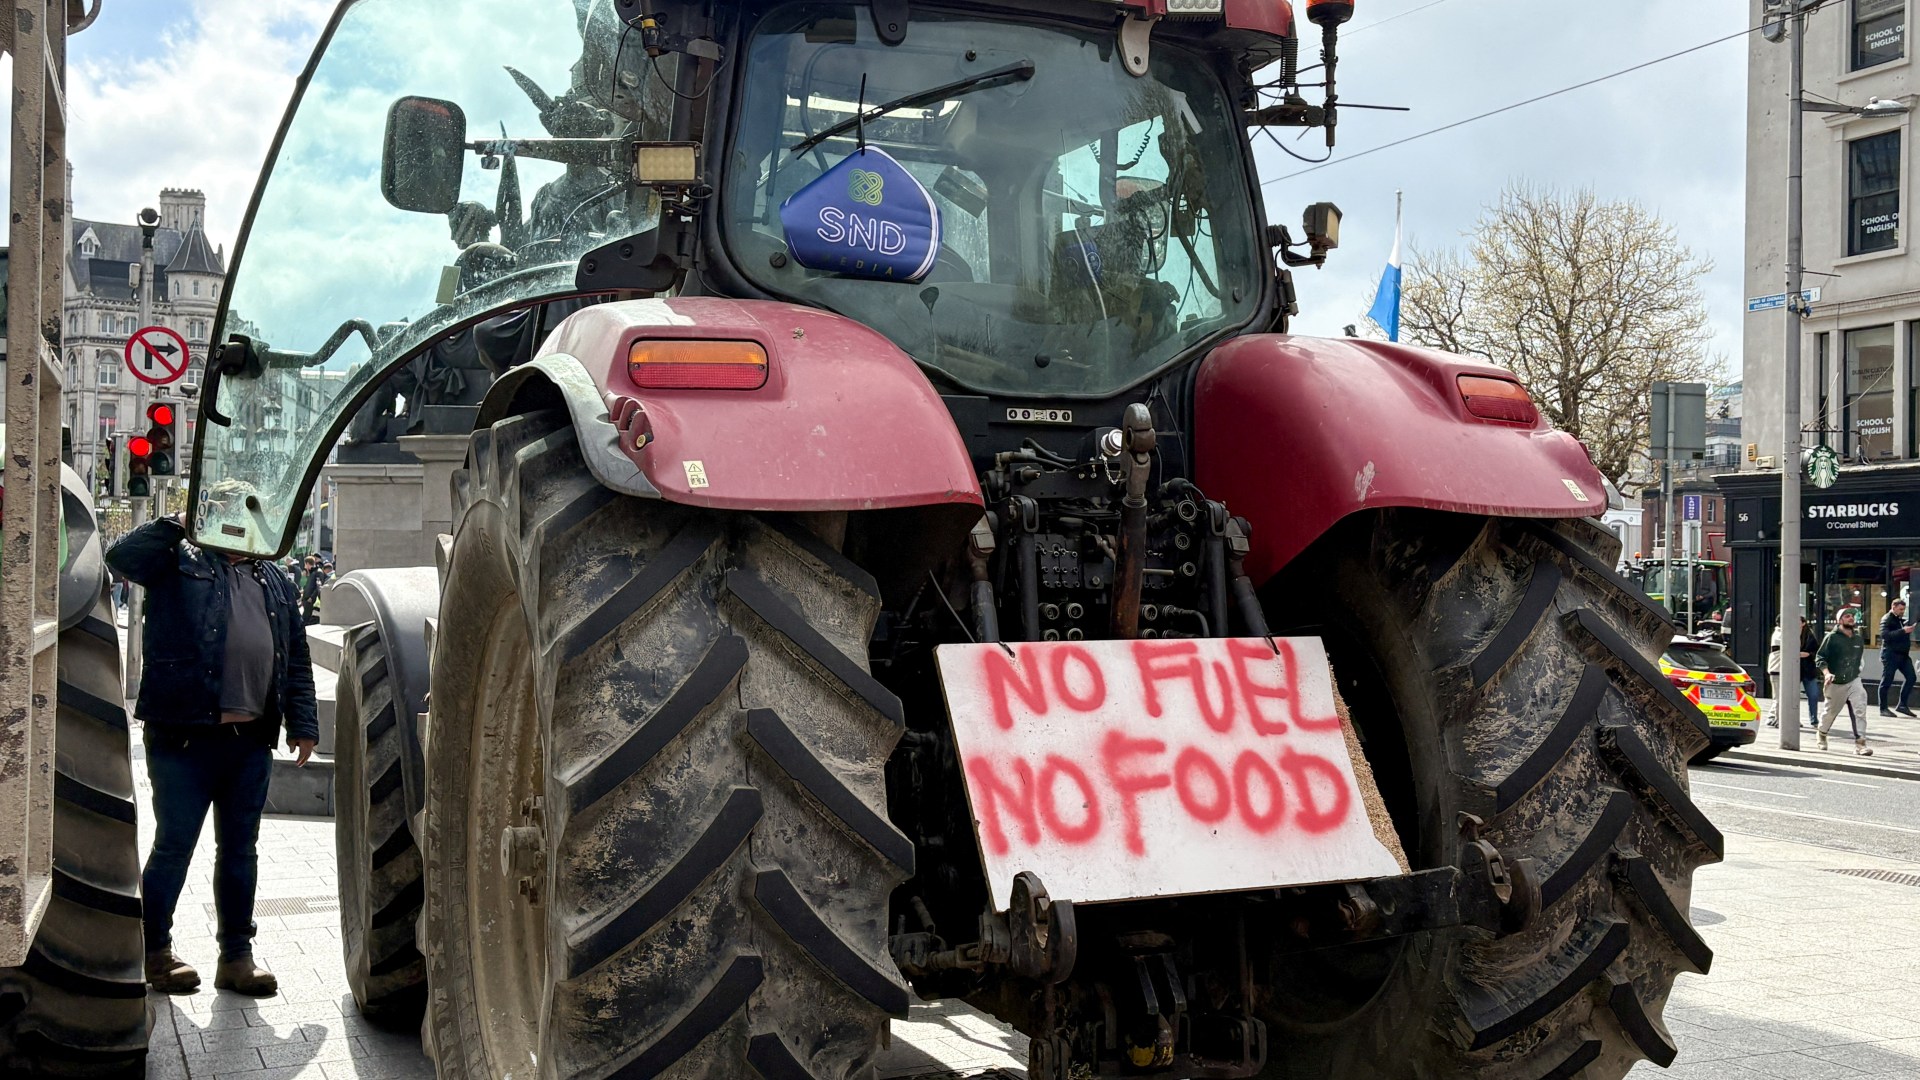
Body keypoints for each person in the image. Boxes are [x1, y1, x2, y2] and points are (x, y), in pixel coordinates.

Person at [105, 501, 319, 996]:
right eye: (231, 513)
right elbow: (122, 557)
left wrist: (303, 723)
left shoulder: (274, 578)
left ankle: (237, 958)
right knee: (174, 845)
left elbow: (296, 657)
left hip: (250, 742)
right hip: (183, 737)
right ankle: (154, 952)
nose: (242, 525)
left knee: (241, 851)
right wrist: (178, 523)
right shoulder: (177, 560)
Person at [1817, 608, 1873, 756]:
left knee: (1860, 709)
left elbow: (1859, 658)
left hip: (1853, 679)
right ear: (1839, 620)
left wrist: (1858, 670)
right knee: (1830, 712)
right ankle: (1822, 734)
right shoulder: (1831, 637)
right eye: (1847, 616)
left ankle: (1860, 744)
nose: (1851, 618)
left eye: (1852, 616)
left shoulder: (1858, 639)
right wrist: (1827, 674)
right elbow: (1820, 657)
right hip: (1835, 682)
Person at [1880, 598, 1917, 718]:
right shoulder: (1887, 618)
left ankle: (1902, 704)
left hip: (1903, 655)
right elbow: (1885, 635)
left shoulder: (1899, 619)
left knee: (1911, 677)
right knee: (1887, 680)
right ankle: (1883, 708)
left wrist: (1906, 628)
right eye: (1900, 609)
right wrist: (1903, 631)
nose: (1902, 611)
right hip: (1890, 655)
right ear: (1893, 607)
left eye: (1903, 609)